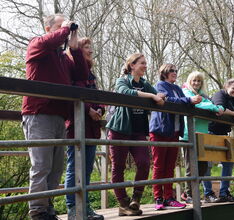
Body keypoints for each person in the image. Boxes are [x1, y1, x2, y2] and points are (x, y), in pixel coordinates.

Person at [21, 14, 89, 220]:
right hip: (38, 114)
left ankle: (48, 208)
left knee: (56, 168)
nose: (64, 30)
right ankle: (37, 211)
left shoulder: (63, 58)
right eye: (60, 27)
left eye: (65, 27)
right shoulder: (37, 44)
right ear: (48, 28)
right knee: (41, 166)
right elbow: (49, 41)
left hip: (60, 117)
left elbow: (82, 75)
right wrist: (65, 30)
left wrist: (75, 46)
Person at [106, 53, 165, 216]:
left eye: (146, 63)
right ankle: (123, 203)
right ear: (132, 65)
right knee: (118, 167)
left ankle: (135, 199)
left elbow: (158, 96)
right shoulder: (122, 81)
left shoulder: (145, 84)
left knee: (144, 163)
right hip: (120, 129)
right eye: (142, 63)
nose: (145, 66)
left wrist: (159, 96)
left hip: (138, 131)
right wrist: (152, 96)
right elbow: (126, 93)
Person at [149, 64, 202, 210]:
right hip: (161, 130)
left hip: (174, 132)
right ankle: (158, 198)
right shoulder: (160, 85)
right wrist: (189, 101)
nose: (174, 73)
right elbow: (169, 100)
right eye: (171, 70)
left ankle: (169, 197)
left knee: (170, 166)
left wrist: (193, 101)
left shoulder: (178, 88)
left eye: (176, 71)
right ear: (164, 72)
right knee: (159, 165)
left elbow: (185, 102)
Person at [64, 37, 104, 220]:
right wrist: (88, 110)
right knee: (75, 167)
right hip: (76, 125)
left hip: (92, 127)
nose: (90, 50)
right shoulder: (71, 68)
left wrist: (100, 109)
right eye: (86, 47)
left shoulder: (92, 73)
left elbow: (97, 95)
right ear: (77, 51)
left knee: (87, 168)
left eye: (91, 47)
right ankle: (73, 208)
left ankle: (85, 205)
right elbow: (72, 93)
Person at [180, 71, 224, 204]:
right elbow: (197, 105)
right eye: (194, 80)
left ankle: (188, 192)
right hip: (189, 135)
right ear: (189, 81)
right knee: (191, 167)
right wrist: (213, 107)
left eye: (199, 81)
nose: (196, 83)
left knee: (203, 167)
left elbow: (211, 104)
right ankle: (189, 194)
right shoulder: (186, 92)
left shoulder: (202, 96)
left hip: (202, 135)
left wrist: (218, 107)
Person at [208, 78, 234, 202]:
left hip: (224, 133)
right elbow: (220, 109)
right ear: (226, 87)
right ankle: (208, 193)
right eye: (233, 88)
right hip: (210, 131)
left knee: (229, 161)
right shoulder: (219, 94)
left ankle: (224, 192)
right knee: (206, 163)